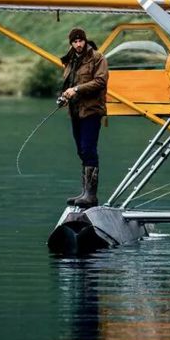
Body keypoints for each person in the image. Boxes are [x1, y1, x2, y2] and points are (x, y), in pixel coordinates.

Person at [60, 27, 108, 209]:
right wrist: (65, 95)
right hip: (75, 111)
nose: (78, 44)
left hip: (91, 111)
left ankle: (91, 196)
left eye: (81, 41)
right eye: (75, 41)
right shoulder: (71, 60)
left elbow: (100, 81)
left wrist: (77, 89)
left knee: (88, 149)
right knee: (81, 150)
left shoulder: (97, 58)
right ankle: (84, 192)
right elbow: (69, 83)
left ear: (85, 41)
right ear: (71, 43)